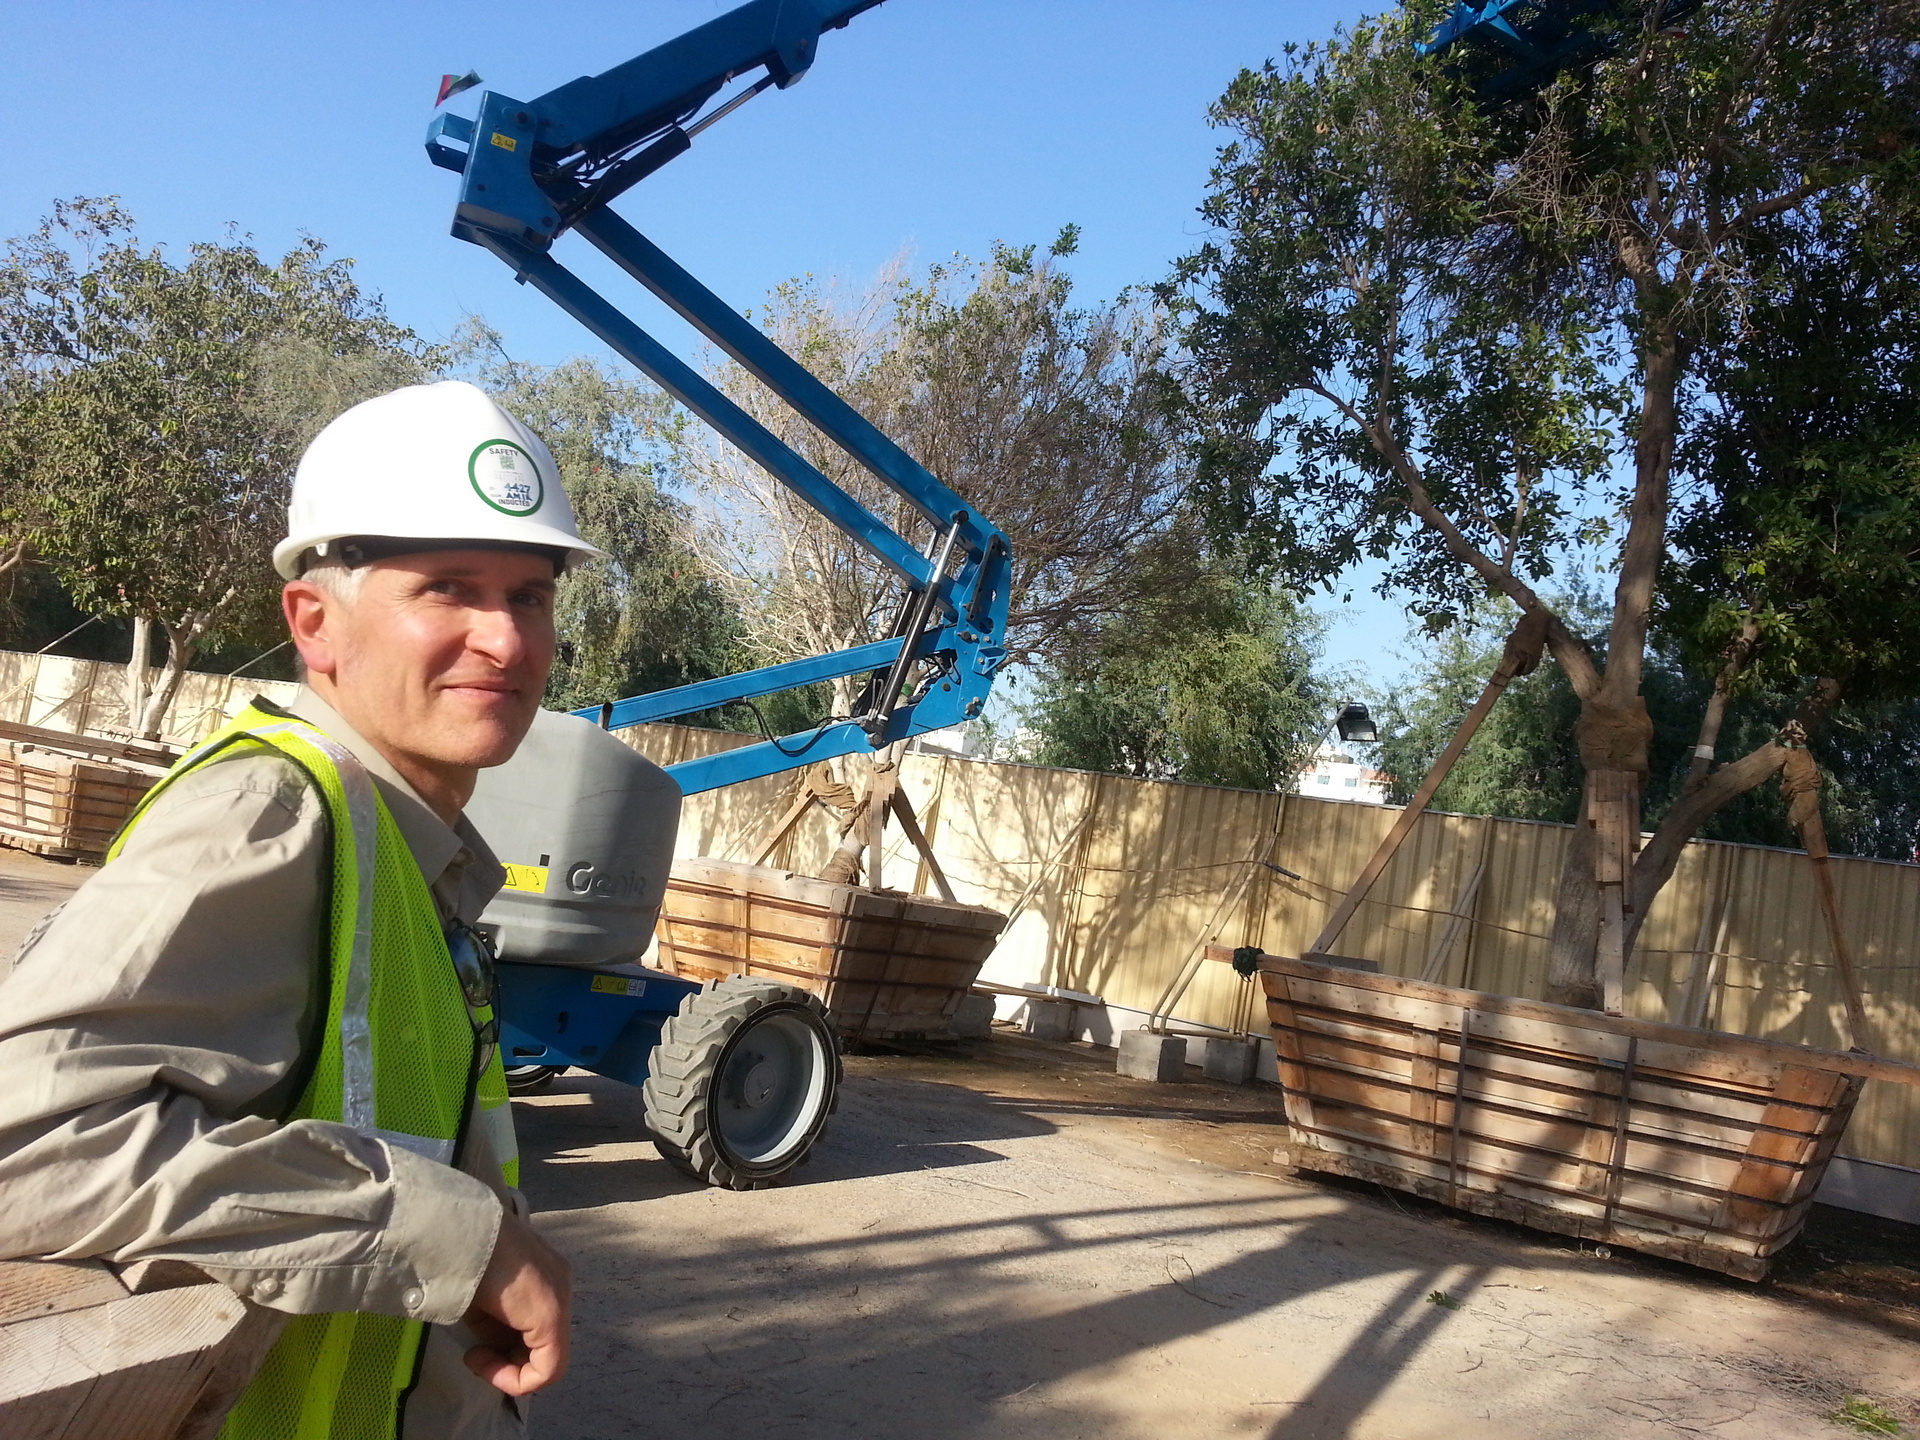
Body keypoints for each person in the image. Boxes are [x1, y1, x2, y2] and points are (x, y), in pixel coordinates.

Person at [0, 380, 606, 1439]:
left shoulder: (405, 848)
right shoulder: (269, 816)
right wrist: (459, 1237)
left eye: (530, 595)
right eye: (448, 588)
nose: (506, 642)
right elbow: (27, 1147)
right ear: (314, 622)